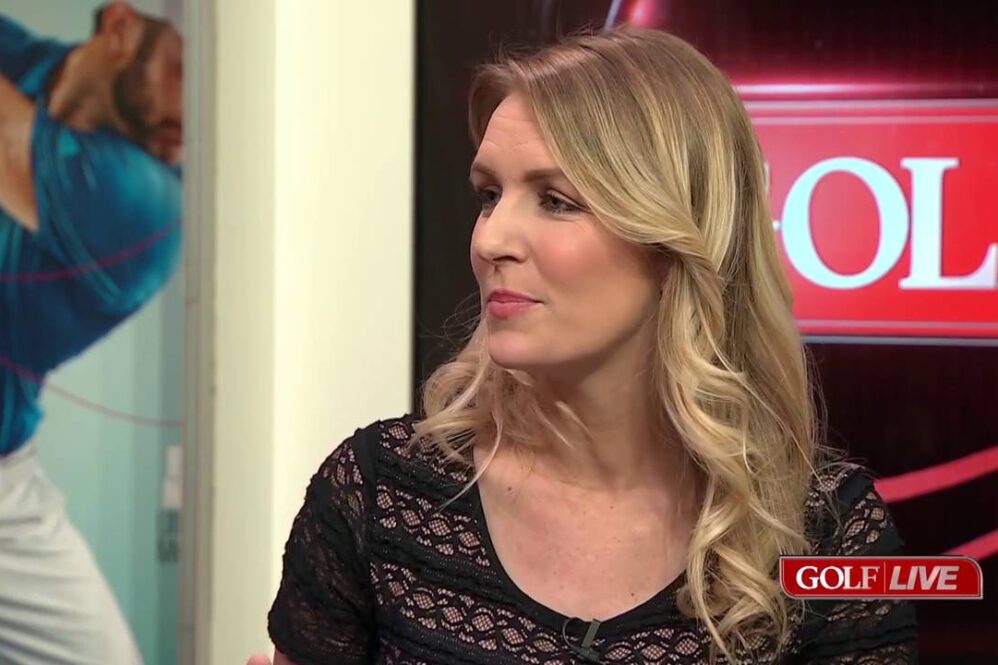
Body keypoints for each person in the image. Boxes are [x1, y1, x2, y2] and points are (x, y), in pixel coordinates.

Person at [251, 27, 917, 665]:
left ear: (675, 239)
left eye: (557, 200)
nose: (490, 240)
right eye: (489, 195)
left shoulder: (828, 532)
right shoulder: (380, 492)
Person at [0, 2, 182, 663]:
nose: (188, 117)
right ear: (120, 27)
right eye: (180, 71)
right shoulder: (31, 66)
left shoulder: (148, 203)